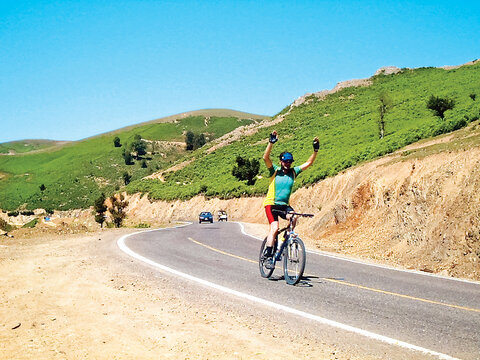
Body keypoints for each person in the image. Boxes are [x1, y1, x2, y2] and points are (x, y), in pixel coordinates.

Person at [262, 130, 319, 268]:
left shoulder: (294, 172)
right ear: (281, 161)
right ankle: (268, 256)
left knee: (294, 218)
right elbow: (265, 158)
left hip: (284, 205)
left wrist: (315, 151)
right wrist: (271, 143)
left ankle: (283, 241)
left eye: (290, 162)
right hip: (271, 205)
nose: (288, 163)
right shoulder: (274, 170)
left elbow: (308, 163)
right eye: (285, 161)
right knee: (274, 228)